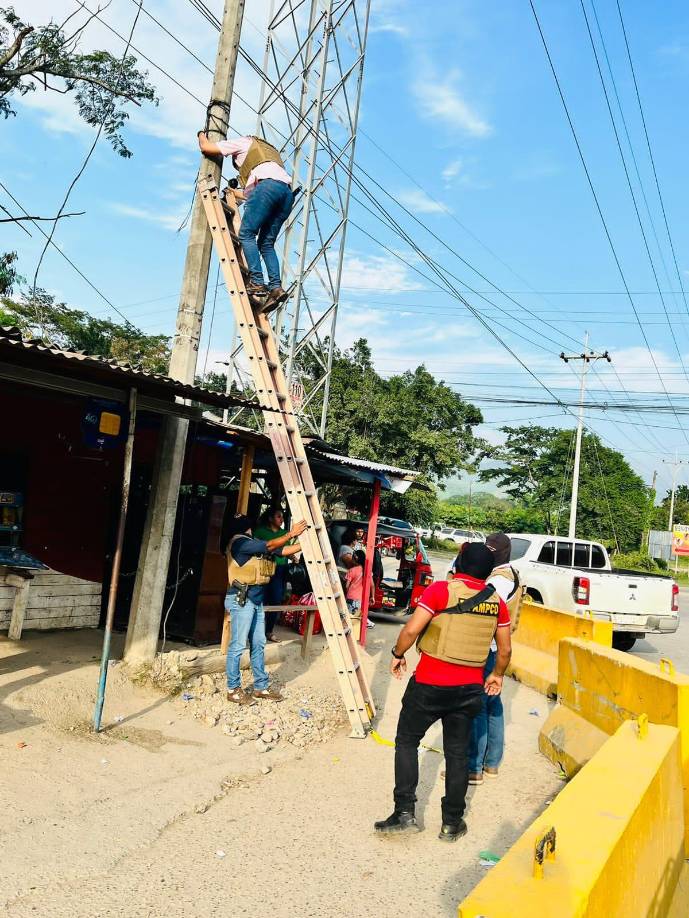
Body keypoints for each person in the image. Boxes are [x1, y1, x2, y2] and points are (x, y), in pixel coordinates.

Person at [374, 542, 512, 842]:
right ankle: (451, 822)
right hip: (469, 689)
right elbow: (504, 650)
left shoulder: (440, 591)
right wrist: (497, 675)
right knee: (457, 754)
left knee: (407, 741)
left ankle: (404, 813)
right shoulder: (497, 602)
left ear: (460, 564)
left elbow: (411, 630)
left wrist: (398, 654)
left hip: (428, 684)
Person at [197, 131, 294, 312]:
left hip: (267, 188)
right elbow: (254, 195)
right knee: (266, 243)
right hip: (286, 194)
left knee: (246, 234)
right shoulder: (269, 156)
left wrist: (202, 133)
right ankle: (276, 287)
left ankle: (257, 282)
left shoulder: (243, 143)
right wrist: (234, 193)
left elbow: (207, 147)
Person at [223, 513, 307, 704]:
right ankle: (233, 689)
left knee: (259, 643)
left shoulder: (253, 542)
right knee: (237, 645)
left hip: (255, 600)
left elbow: (282, 550)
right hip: (241, 599)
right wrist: (291, 533)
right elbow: (270, 546)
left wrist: (306, 541)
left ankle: (260, 687)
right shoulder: (239, 543)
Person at [468, 532, 523, 784]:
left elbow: (479, 604)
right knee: (493, 705)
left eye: (490, 550)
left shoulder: (498, 581)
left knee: (478, 706)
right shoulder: (510, 573)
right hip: (496, 646)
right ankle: (491, 763)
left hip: (487, 647)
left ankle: (474, 767)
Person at [253, 506, 291, 644]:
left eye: (282, 516)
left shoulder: (285, 533)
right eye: (278, 516)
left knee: (276, 600)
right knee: (260, 599)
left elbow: (287, 551)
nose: (281, 519)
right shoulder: (260, 531)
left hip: (280, 570)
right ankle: (256, 632)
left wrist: (292, 556)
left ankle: (269, 631)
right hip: (263, 568)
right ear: (270, 518)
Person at [345, 549, 375, 630]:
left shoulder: (352, 570)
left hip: (351, 598)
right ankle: (366, 623)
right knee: (357, 617)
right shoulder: (367, 571)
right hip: (361, 599)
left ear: (356, 559)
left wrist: (346, 593)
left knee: (350, 618)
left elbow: (347, 586)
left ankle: (367, 623)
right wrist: (372, 597)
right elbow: (372, 585)